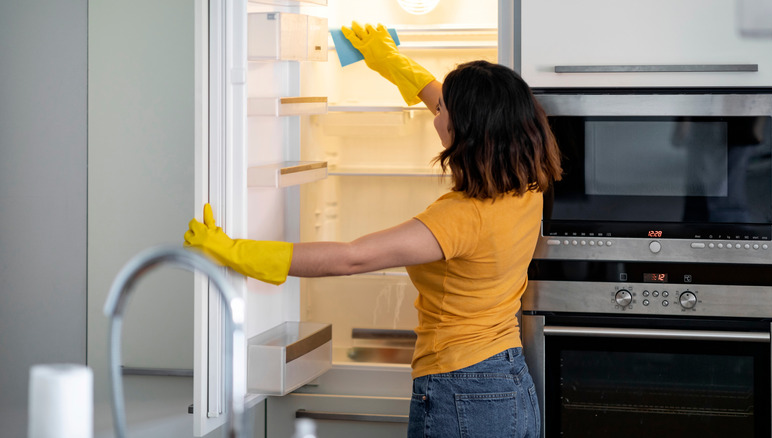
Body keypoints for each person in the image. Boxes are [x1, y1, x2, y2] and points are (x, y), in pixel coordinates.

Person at [184, 22, 562, 438]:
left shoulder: (460, 218)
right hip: (510, 383)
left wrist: (237, 250)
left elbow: (352, 257)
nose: (436, 113)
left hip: (461, 389)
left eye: (443, 112)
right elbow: (435, 93)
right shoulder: (528, 185)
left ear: (468, 132)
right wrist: (388, 59)